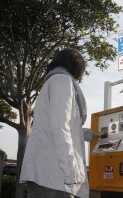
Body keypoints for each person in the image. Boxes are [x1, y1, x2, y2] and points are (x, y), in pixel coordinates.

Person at [20, 48, 96, 198]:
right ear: (77, 67)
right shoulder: (63, 80)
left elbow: (57, 124)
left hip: (47, 174)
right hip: (54, 176)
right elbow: (60, 127)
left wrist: (88, 134)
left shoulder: (53, 81)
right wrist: (71, 171)